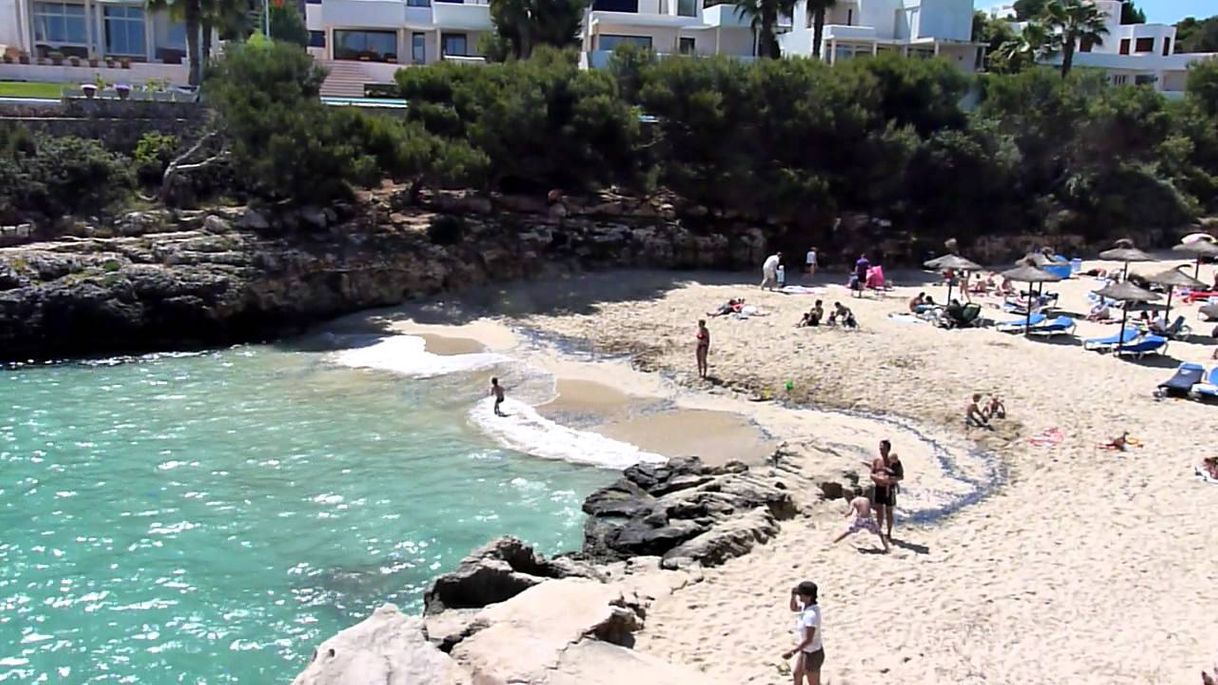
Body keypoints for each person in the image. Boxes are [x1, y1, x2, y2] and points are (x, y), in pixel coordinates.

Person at [783, 581, 826, 684]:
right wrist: (792, 596)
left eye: (800, 594)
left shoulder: (811, 615)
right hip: (805, 651)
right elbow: (794, 608)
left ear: (808, 596)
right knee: (797, 674)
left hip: (813, 654)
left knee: (813, 683)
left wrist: (793, 652)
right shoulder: (806, 606)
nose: (799, 596)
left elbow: (809, 640)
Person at [872, 440, 902, 539]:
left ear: (888, 449)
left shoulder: (894, 462)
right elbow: (872, 474)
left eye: (883, 448)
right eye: (880, 448)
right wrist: (879, 479)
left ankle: (889, 533)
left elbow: (900, 476)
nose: (881, 450)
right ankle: (879, 530)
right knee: (879, 510)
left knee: (889, 511)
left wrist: (890, 480)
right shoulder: (877, 461)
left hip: (889, 489)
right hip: (879, 488)